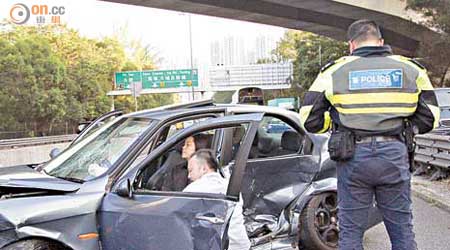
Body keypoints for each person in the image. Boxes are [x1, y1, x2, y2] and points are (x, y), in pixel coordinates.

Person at [299, 19, 439, 250]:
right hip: (394, 154)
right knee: (402, 230)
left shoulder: (334, 71)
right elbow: (430, 118)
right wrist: (402, 126)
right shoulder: (411, 69)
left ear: (351, 45)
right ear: (381, 42)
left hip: (353, 156)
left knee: (351, 233)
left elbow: (309, 119)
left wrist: (339, 121)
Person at [184, 149, 251, 250]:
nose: (189, 176)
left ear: (203, 169)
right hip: (241, 244)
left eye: (191, 170)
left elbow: (172, 203)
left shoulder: (200, 186)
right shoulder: (228, 184)